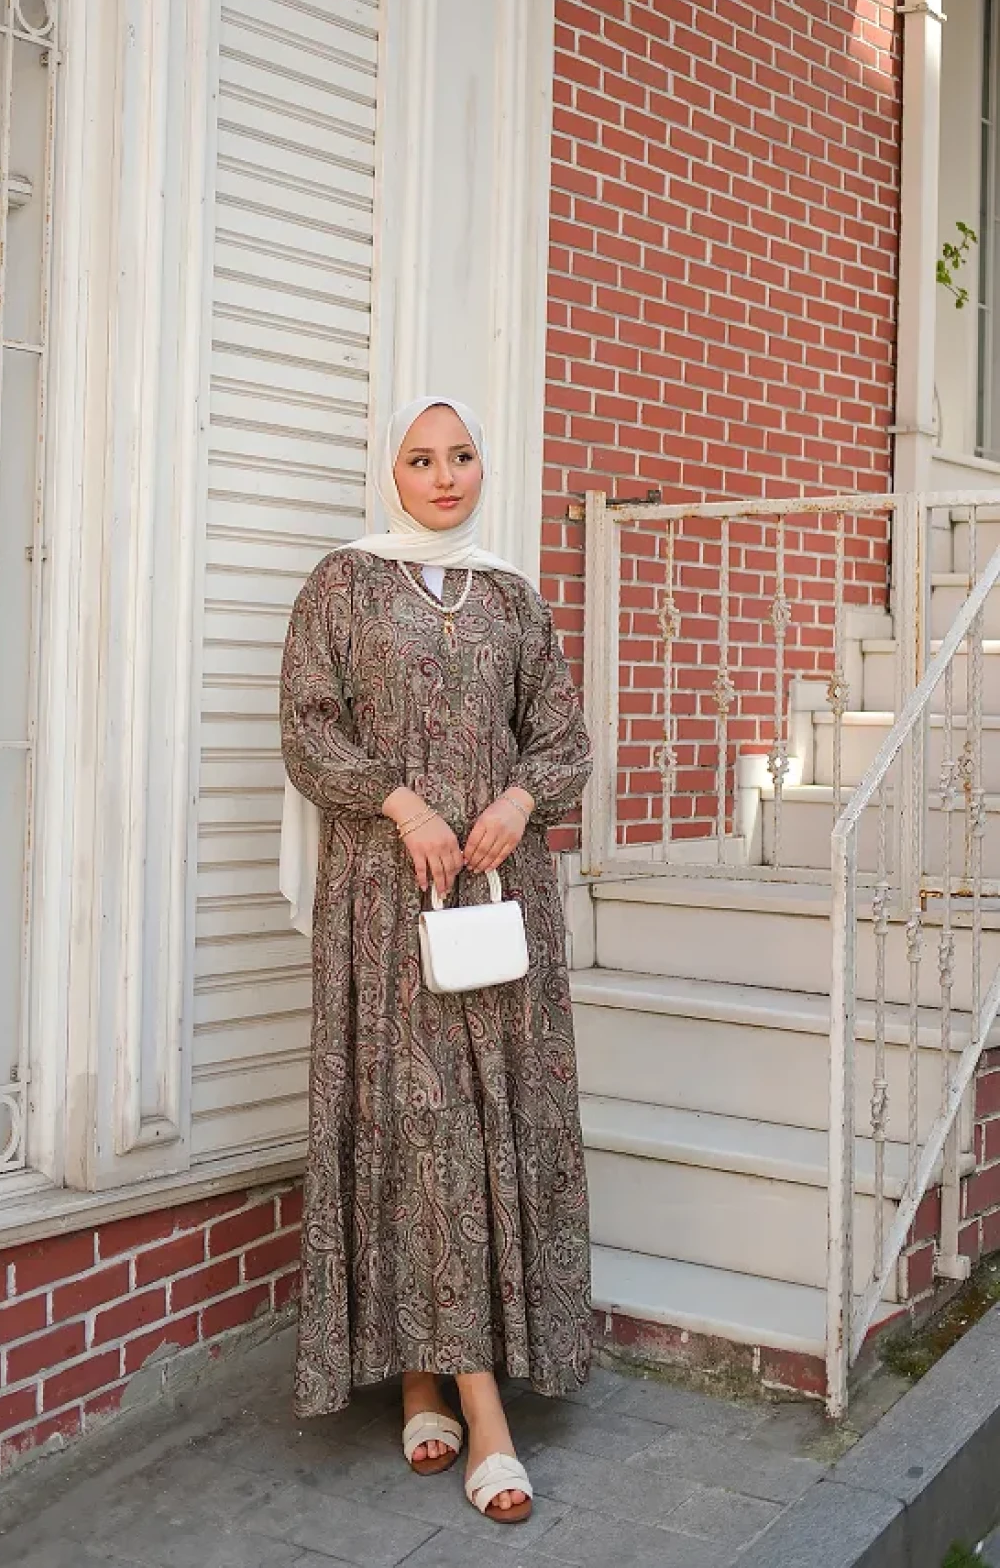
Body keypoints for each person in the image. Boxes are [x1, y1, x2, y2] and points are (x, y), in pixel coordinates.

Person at [278, 396, 592, 1525]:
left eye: (461, 456)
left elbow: (562, 736)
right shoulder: (343, 584)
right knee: (415, 1127)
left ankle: (431, 1381)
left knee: (483, 1124)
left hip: (500, 903)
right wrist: (401, 803)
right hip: (386, 902)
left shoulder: (510, 595)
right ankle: (474, 1409)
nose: (444, 475)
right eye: (421, 458)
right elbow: (309, 727)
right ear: (392, 472)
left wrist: (519, 799)